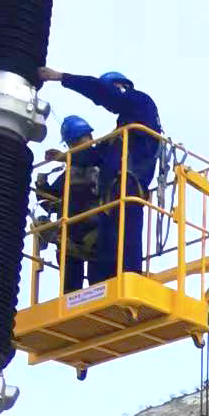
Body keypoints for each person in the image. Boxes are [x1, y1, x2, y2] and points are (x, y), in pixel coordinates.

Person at [39, 66, 161, 275]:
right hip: (110, 199)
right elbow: (94, 155)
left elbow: (104, 93)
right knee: (105, 260)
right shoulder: (120, 136)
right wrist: (64, 157)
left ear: (120, 87)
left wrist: (61, 77)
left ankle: (128, 280)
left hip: (128, 189)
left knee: (125, 252)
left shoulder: (141, 102)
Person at [35, 116, 109, 293]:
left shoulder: (101, 158)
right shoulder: (70, 171)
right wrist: (42, 186)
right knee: (70, 292)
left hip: (96, 234)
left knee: (98, 288)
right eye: (71, 144)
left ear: (90, 137)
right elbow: (52, 197)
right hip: (71, 237)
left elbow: (87, 156)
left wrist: (64, 158)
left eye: (77, 141)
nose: (74, 146)